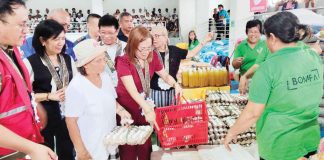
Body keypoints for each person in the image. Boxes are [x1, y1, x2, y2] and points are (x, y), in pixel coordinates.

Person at [224, 12, 323, 160]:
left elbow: (253, 113)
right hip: (310, 140)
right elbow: (316, 51)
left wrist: (232, 132)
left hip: (279, 146)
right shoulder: (313, 57)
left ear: (273, 37)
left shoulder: (267, 69)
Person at [0, 0, 57, 159]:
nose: (27, 30)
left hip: (21, 147)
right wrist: (31, 148)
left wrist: (33, 105)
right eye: (21, 24)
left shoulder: (12, 50)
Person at [116, 26, 182, 160]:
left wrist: (176, 84)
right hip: (127, 109)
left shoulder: (152, 57)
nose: (146, 52)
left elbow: (165, 76)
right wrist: (148, 109)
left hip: (144, 107)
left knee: (145, 146)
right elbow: (133, 91)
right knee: (128, 147)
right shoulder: (123, 61)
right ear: (133, 46)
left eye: (149, 47)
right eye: (142, 49)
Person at [65, 39, 131, 160]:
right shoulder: (76, 87)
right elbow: (71, 122)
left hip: (110, 143)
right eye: (98, 61)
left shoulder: (105, 77)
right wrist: (81, 151)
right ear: (85, 65)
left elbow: (111, 100)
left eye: (103, 58)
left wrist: (122, 111)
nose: (104, 63)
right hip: (91, 149)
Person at [24, 19, 76, 160]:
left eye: (63, 38)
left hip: (68, 116)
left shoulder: (68, 59)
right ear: (42, 40)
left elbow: (77, 85)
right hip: (44, 118)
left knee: (67, 152)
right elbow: (23, 96)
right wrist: (48, 96)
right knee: (47, 154)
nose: (61, 43)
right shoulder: (30, 62)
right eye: (56, 39)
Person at [150, 26, 213, 107]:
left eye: (157, 36)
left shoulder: (174, 50)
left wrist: (205, 41)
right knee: (158, 116)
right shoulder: (150, 54)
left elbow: (191, 53)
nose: (154, 39)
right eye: (152, 36)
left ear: (165, 37)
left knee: (173, 116)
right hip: (156, 92)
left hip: (174, 91)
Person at [99, 14, 127, 87]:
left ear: (117, 31)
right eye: (103, 32)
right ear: (99, 31)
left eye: (110, 33)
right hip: (103, 87)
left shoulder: (126, 47)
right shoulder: (95, 47)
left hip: (123, 87)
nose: (106, 36)